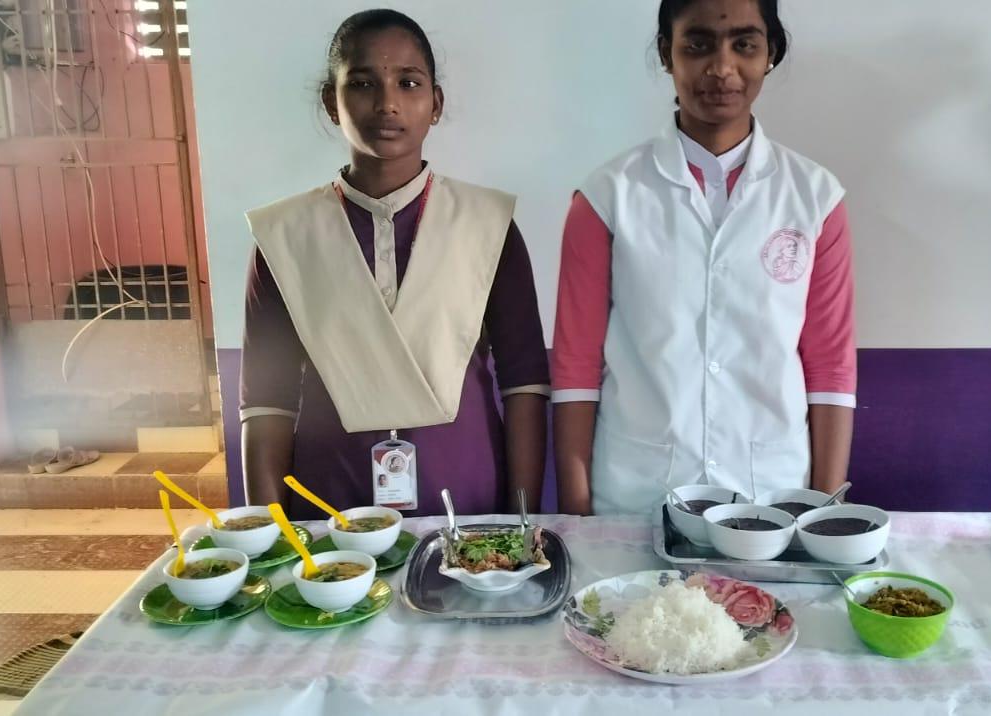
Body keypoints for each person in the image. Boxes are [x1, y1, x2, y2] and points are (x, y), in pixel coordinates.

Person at [240, 9, 549, 518]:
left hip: (468, 503)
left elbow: (524, 385)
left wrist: (522, 522)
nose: (387, 103)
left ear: (435, 103)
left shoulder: (488, 224)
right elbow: (266, 402)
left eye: (408, 83)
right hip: (330, 509)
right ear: (332, 103)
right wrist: (274, 534)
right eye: (363, 83)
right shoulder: (286, 235)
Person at [552, 0, 857, 515]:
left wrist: (824, 510)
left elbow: (829, 364)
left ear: (770, 53)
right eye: (697, 45)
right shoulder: (607, 197)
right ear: (666, 53)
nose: (721, 68)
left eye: (745, 45)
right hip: (637, 493)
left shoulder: (815, 198)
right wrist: (577, 517)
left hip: (772, 495)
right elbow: (576, 365)